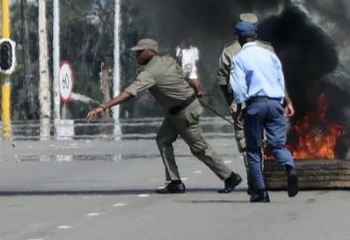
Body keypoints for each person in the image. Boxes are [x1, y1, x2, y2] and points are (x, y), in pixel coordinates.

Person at [87, 38, 243, 195]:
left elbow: (129, 93)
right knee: (163, 139)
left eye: (140, 52)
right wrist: (197, 90)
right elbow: (186, 78)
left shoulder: (149, 72)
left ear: (152, 51)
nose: (137, 56)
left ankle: (230, 177)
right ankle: (175, 181)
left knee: (199, 148)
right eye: (136, 53)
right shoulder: (167, 60)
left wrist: (104, 106)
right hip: (178, 111)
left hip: (184, 112)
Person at [229, 20, 299, 203]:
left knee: (253, 150)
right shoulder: (269, 55)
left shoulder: (239, 59)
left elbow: (238, 88)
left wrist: (242, 106)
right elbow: (279, 80)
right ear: (256, 36)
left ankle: (260, 192)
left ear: (239, 39)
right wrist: (287, 102)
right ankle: (289, 168)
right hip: (276, 104)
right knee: (277, 145)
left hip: (255, 105)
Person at [216, 12, 261, 166]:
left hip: (240, 102)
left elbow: (222, 78)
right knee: (265, 138)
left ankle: (253, 176)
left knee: (245, 139)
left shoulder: (229, 50)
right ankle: (266, 174)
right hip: (265, 99)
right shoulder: (266, 47)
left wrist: (229, 99)